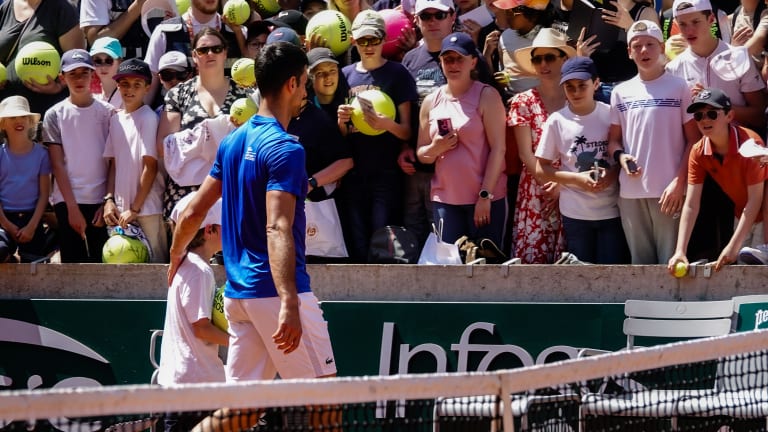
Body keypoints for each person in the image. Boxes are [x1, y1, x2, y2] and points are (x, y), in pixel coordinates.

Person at [169, 42, 337, 431]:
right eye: (305, 85)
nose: (307, 93)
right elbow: (277, 226)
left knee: (241, 413)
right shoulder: (285, 148)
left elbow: (194, 211)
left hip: (239, 297)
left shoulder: (232, 142)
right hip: (274, 293)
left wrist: (176, 255)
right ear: (293, 83)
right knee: (327, 406)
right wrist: (289, 300)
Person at [666, 0, 766, 260]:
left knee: (744, 242)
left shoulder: (737, 56)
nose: (689, 30)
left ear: (712, 20)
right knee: (704, 243)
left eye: (696, 22)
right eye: (683, 24)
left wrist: (716, 107)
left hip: (743, 156)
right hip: (702, 158)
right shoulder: (674, 68)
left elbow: (758, 113)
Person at [608, 20, 700, 264]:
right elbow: (613, 142)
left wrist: (679, 183)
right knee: (640, 265)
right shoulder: (620, 91)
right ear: (629, 52)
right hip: (630, 194)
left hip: (668, 193)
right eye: (637, 46)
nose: (644, 51)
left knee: (671, 263)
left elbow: (694, 141)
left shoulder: (679, 87)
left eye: (650, 45)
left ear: (661, 47)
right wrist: (621, 156)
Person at [336, 10, 418, 262]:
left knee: (381, 237)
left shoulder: (397, 74)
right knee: (357, 238)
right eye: (363, 41)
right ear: (353, 41)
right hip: (353, 173)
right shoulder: (344, 75)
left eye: (374, 40)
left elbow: (407, 130)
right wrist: (341, 122)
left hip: (385, 172)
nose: (369, 46)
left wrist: (384, 124)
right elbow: (342, 136)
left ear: (384, 39)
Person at [535, 57, 629, 264]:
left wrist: (612, 175)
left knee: (611, 270)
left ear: (596, 84)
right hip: (575, 212)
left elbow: (624, 154)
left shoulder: (611, 115)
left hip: (612, 209)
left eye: (582, 86)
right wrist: (576, 179)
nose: (576, 92)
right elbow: (541, 167)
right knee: (580, 271)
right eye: (570, 87)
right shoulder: (557, 121)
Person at [416, 32, 507, 245]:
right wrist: (436, 148)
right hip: (445, 201)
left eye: (459, 58)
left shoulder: (487, 95)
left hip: (484, 199)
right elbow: (422, 154)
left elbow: (498, 150)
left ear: (473, 61)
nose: (453, 64)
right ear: (441, 62)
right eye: (448, 59)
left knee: (488, 269)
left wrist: (485, 196)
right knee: (449, 270)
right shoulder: (431, 101)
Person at [668, 88, 768, 273]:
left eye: (712, 114)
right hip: (742, 215)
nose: (705, 120)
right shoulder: (698, 151)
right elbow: (691, 205)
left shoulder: (751, 143)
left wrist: (732, 246)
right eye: (699, 116)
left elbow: (755, 200)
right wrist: (680, 250)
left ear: (730, 116)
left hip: (762, 215)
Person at [156, 28, 250, 219]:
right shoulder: (178, 94)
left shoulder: (245, 95)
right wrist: (207, 134)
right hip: (186, 195)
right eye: (203, 50)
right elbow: (163, 146)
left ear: (225, 53)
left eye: (216, 49)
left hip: (230, 189)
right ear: (194, 56)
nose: (209, 54)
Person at [158, 192, 228, 431]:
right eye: (226, 224)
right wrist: (240, 340)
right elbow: (201, 329)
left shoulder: (187, 265)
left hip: (185, 386)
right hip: (195, 388)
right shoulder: (199, 271)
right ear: (210, 230)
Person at [507, 28, 573, 263]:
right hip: (538, 187)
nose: (543, 64)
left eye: (550, 57)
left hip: (572, 186)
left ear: (564, 59)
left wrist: (562, 185)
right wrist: (551, 185)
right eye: (537, 59)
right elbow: (525, 154)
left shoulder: (575, 97)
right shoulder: (523, 101)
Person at [43, 49, 111, 263]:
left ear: (93, 75)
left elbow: (113, 161)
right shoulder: (54, 114)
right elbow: (57, 164)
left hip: (101, 203)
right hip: (67, 201)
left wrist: (107, 201)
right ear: (62, 78)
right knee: (73, 264)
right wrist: (72, 208)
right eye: (72, 73)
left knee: (102, 264)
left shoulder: (108, 112)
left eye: (84, 72)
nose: (79, 78)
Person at [398, 0, 455, 249]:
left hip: (456, 165)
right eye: (426, 15)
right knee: (414, 231)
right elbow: (405, 111)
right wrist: (403, 147)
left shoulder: (466, 56)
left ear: (452, 16)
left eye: (439, 15)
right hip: (418, 166)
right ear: (416, 20)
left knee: (446, 237)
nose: (432, 21)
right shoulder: (409, 60)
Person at [103, 59, 167, 263]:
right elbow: (113, 164)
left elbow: (150, 166)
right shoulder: (115, 119)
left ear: (148, 88)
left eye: (137, 85)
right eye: (124, 84)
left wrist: (135, 208)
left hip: (146, 209)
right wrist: (109, 200)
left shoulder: (148, 118)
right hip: (121, 212)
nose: (129, 90)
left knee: (155, 265)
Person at [143, 0, 245, 106]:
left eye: (217, 49)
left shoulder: (238, 33)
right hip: (176, 116)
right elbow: (151, 81)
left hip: (226, 117)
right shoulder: (164, 31)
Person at [0, 0, 84, 114]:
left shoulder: (61, 9)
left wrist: (59, 86)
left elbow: (78, 61)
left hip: (45, 109)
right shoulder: (5, 8)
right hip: (7, 110)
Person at [293, 48, 353, 203]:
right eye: (320, 73)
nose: (328, 77)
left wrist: (311, 183)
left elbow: (345, 161)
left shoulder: (320, 119)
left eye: (332, 71)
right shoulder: (276, 116)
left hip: (320, 204)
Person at [0, 96, 51, 263]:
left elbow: (44, 194)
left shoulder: (42, 154)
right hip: (4, 218)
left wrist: (32, 226)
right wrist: (6, 224)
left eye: (23, 117)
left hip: (32, 218)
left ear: (31, 122)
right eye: (12, 118)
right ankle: (9, 258)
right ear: (3, 124)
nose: (18, 121)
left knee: (34, 262)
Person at [90, 36, 124, 109]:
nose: (103, 67)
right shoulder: (90, 96)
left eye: (109, 61)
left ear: (120, 62)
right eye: (98, 61)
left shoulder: (129, 95)